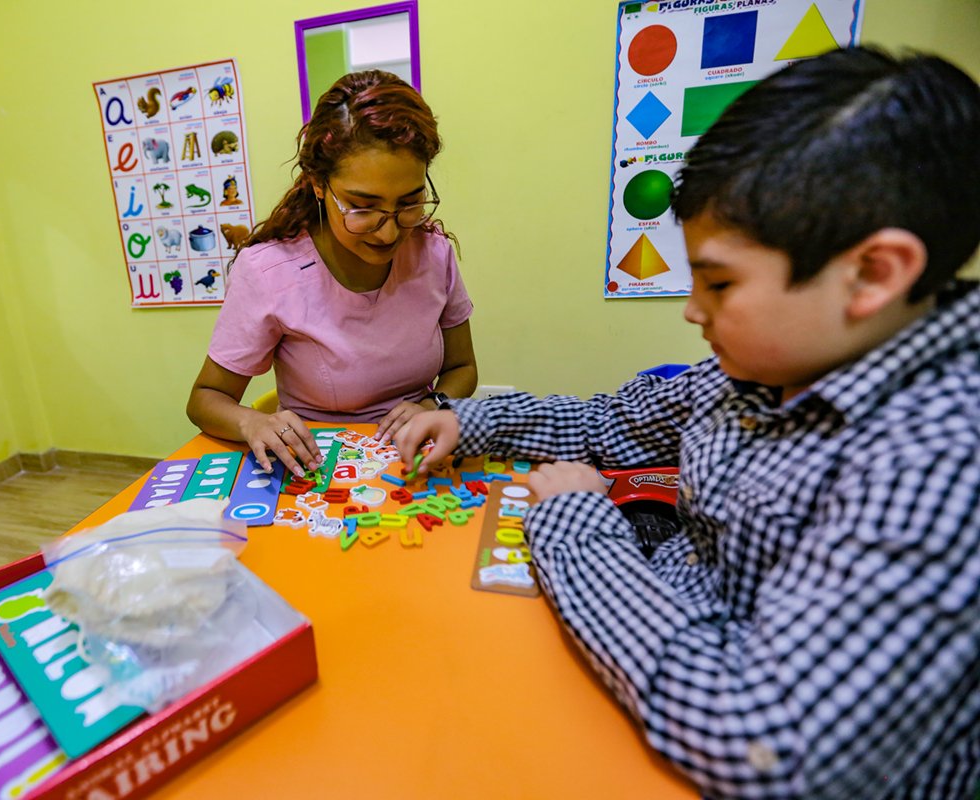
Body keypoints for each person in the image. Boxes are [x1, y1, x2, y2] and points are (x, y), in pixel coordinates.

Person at [395, 47, 980, 798]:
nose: (692, 309)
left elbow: (764, 746)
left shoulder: (941, 461)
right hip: (652, 661)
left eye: (721, 281)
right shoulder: (772, 368)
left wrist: (577, 522)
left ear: (872, 274)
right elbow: (612, 424)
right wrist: (470, 421)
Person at [187, 71, 477, 477]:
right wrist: (253, 422)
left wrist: (433, 405)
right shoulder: (269, 270)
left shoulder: (433, 253)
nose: (390, 230)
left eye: (409, 204)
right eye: (362, 207)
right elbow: (206, 397)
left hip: (417, 463)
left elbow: (463, 369)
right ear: (318, 185)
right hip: (318, 473)